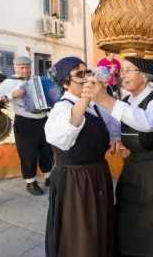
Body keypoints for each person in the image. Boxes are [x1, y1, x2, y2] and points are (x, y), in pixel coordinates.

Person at [82, 53, 153, 257]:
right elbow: (116, 123)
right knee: (128, 210)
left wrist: (106, 100)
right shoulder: (127, 100)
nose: (122, 75)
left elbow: (146, 122)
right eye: (122, 70)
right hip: (137, 164)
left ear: (145, 75)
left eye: (128, 70)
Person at [44, 57, 120, 257]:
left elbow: (112, 124)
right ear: (65, 82)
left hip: (96, 175)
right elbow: (59, 137)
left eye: (87, 72)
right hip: (76, 182)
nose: (86, 77)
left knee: (98, 228)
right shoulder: (61, 108)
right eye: (79, 74)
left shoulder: (94, 107)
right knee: (80, 234)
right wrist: (86, 97)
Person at [0, 56, 53, 196]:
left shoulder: (37, 80)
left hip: (43, 120)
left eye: (27, 67)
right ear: (15, 68)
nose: (25, 70)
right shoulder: (9, 83)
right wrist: (11, 95)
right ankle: (31, 182)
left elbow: (50, 95)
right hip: (25, 122)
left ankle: (49, 177)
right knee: (28, 153)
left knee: (47, 150)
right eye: (22, 67)